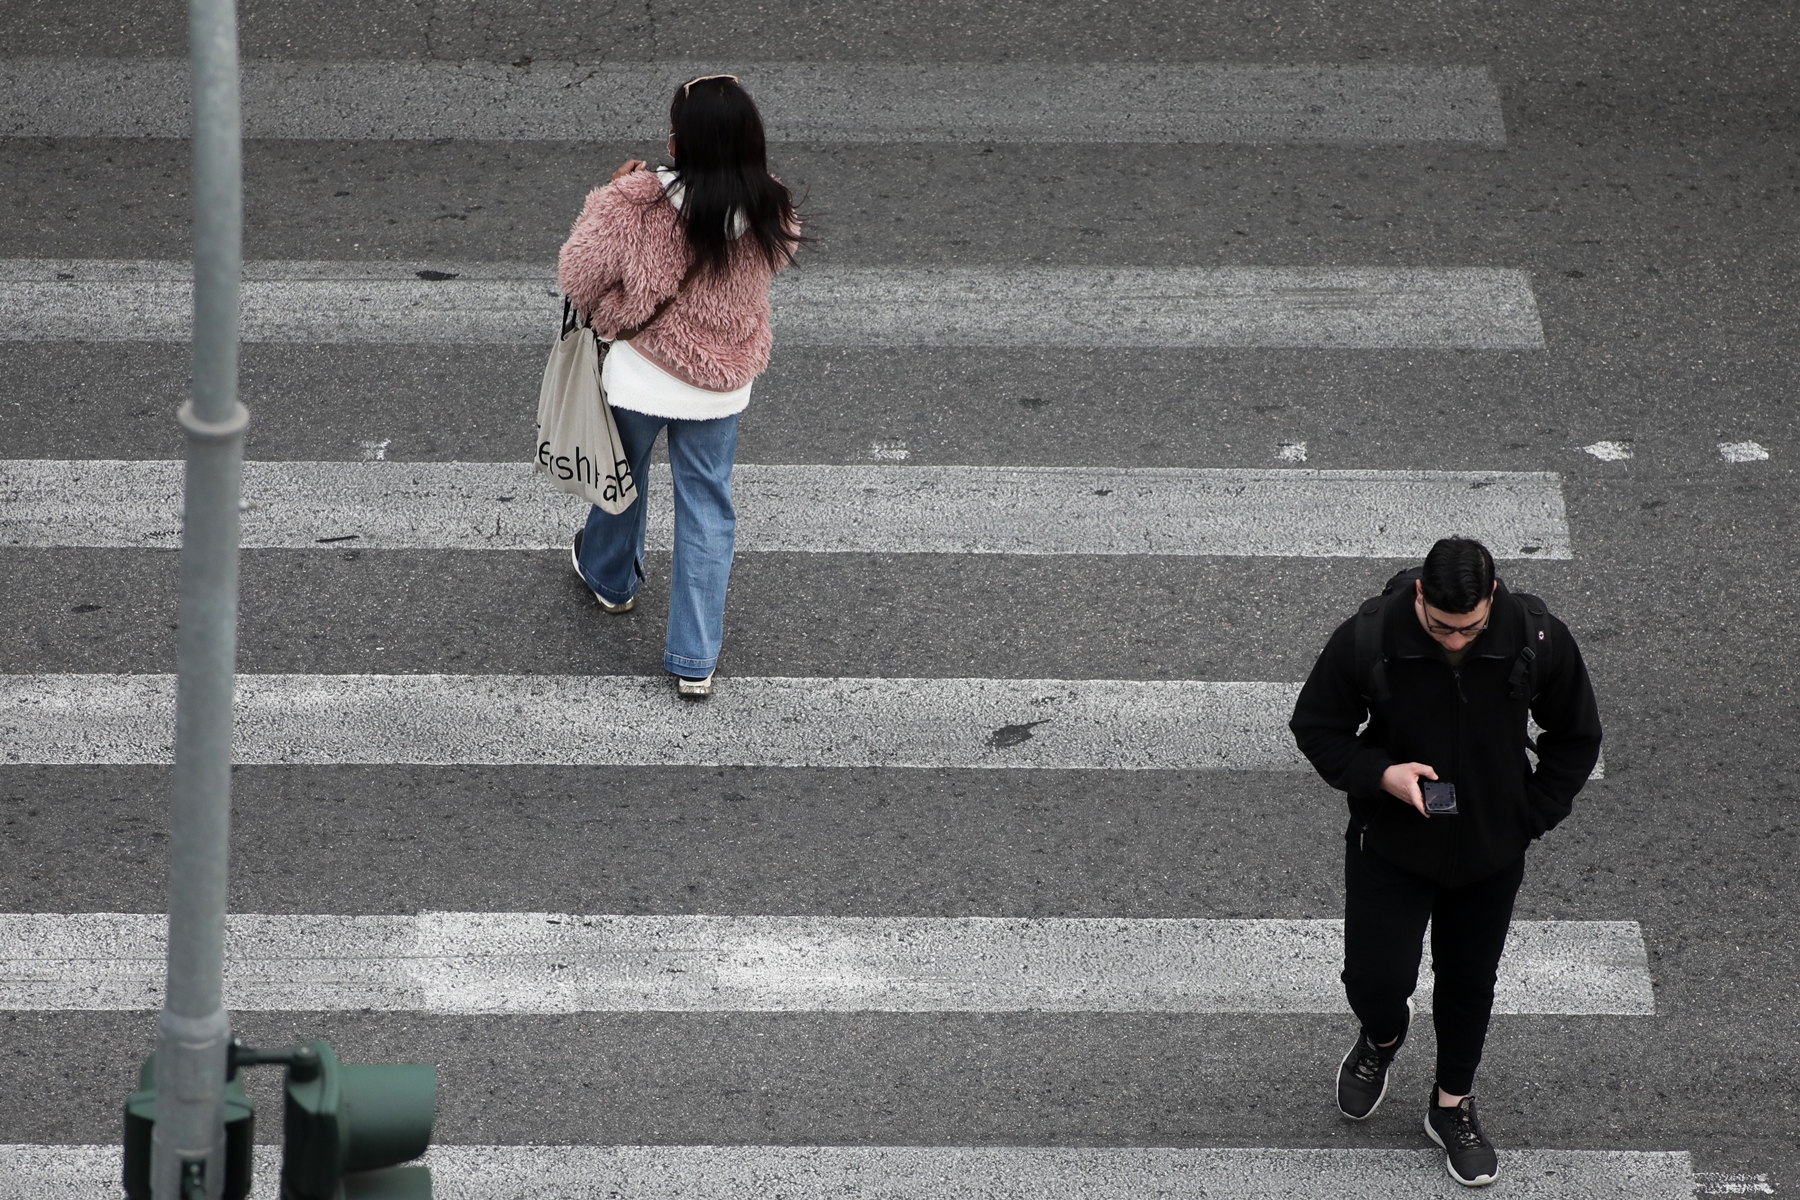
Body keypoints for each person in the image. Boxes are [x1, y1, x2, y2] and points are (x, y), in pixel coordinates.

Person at [1289, 538, 1602, 1188]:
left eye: (1468, 628)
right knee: (1375, 979)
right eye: (1440, 627)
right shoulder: (1369, 638)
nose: (1455, 642)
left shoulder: (1537, 638)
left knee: (1469, 984)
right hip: (1393, 846)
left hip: (1489, 854)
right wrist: (1381, 774)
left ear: (1492, 598)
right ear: (1420, 597)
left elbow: (1576, 737)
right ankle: (1380, 1040)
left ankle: (1451, 1105)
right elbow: (1316, 726)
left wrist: (1527, 815)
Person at [557, 73, 803, 698]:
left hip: (641, 374)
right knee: (707, 505)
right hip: (721, 385)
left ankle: (611, 580)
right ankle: (695, 659)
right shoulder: (773, 206)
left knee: (623, 473)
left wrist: (610, 194)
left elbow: (577, 278)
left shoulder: (633, 203)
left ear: (675, 138)